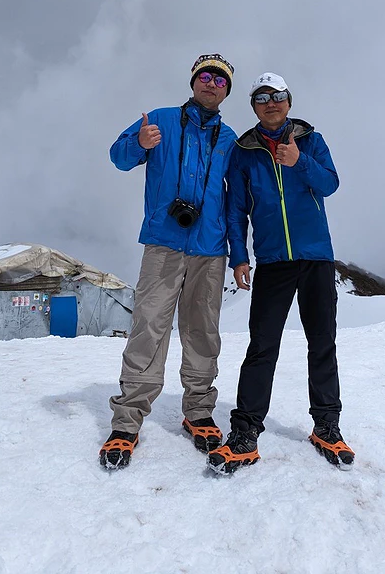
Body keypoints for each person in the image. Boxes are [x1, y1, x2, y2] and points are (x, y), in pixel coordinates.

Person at [208, 72, 354, 474]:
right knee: (262, 346)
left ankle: (327, 425)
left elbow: (330, 184)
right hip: (272, 261)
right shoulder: (244, 151)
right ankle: (245, 431)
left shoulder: (311, 140)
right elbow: (236, 210)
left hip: (316, 258)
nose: (271, 103)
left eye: (278, 96)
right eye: (262, 98)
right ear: (253, 106)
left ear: (289, 101)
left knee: (322, 341)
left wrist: (299, 161)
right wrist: (239, 257)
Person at [100, 54, 236, 469]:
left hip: (210, 249)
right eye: (205, 76)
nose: (211, 83)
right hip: (163, 243)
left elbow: (235, 201)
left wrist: (239, 251)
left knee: (202, 331)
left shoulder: (230, 138)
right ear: (194, 81)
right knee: (149, 325)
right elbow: (119, 157)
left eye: (220, 80)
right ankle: (127, 420)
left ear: (226, 91)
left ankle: (199, 412)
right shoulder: (158, 120)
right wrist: (138, 144)